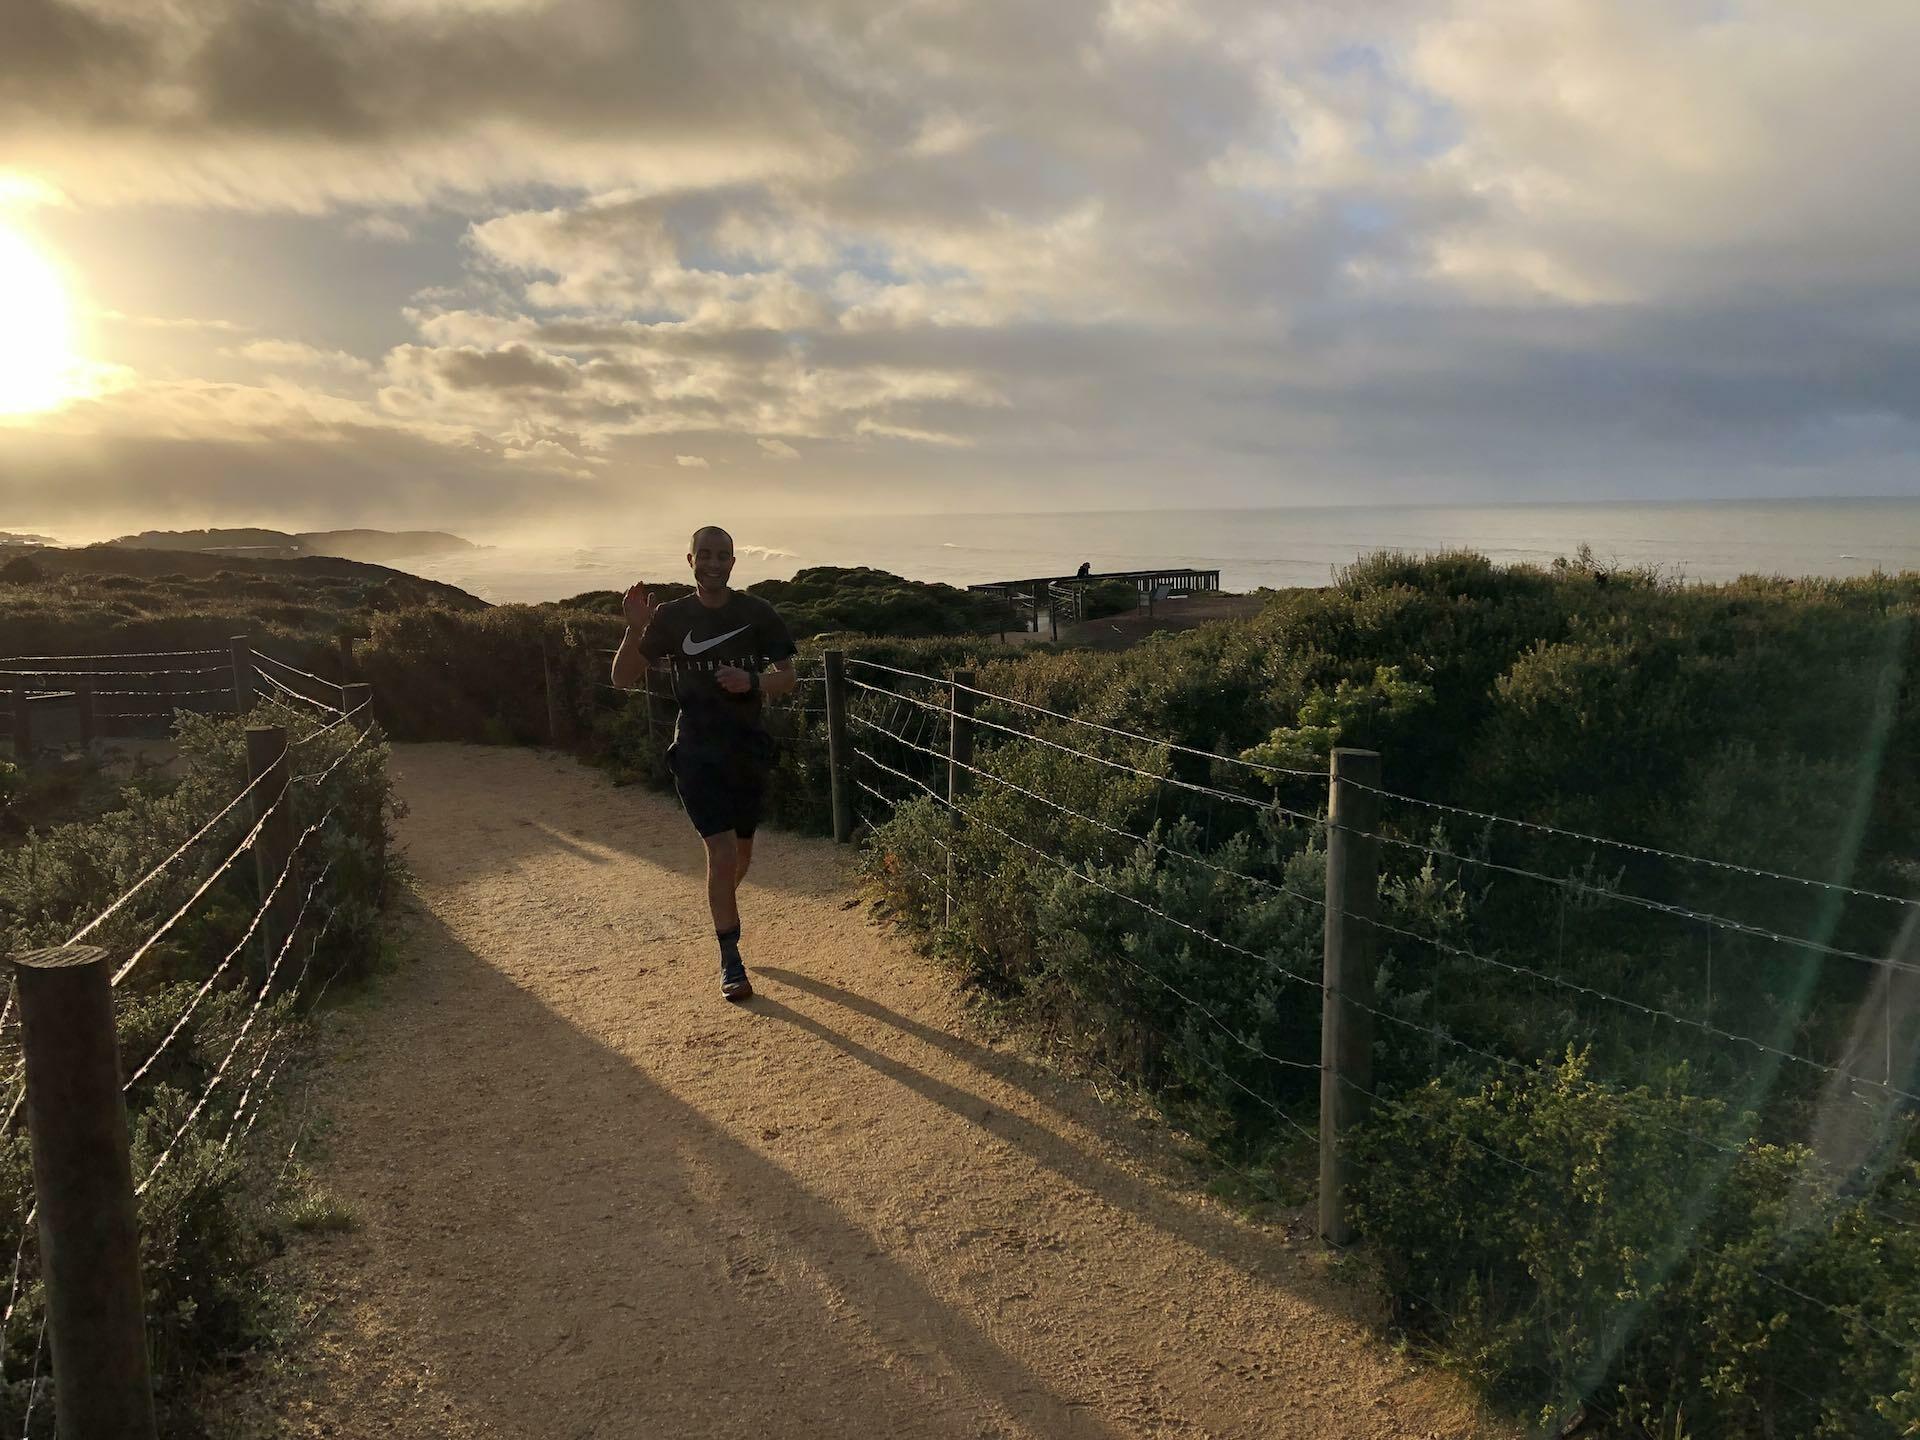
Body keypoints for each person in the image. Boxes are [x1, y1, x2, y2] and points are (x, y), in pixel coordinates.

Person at [610, 526, 798, 1000]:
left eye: (724, 556)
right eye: (706, 555)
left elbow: (787, 678)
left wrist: (752, 680)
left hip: (747, 747)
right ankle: (730, 957)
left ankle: (721, 902)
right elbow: (621, 678)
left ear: (733, 561)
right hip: (695, 749)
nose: (715, 563)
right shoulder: (671, 617)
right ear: (690, 560)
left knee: (742, 855)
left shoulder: (758, 613)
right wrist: (635, 628)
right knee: (722, 852)